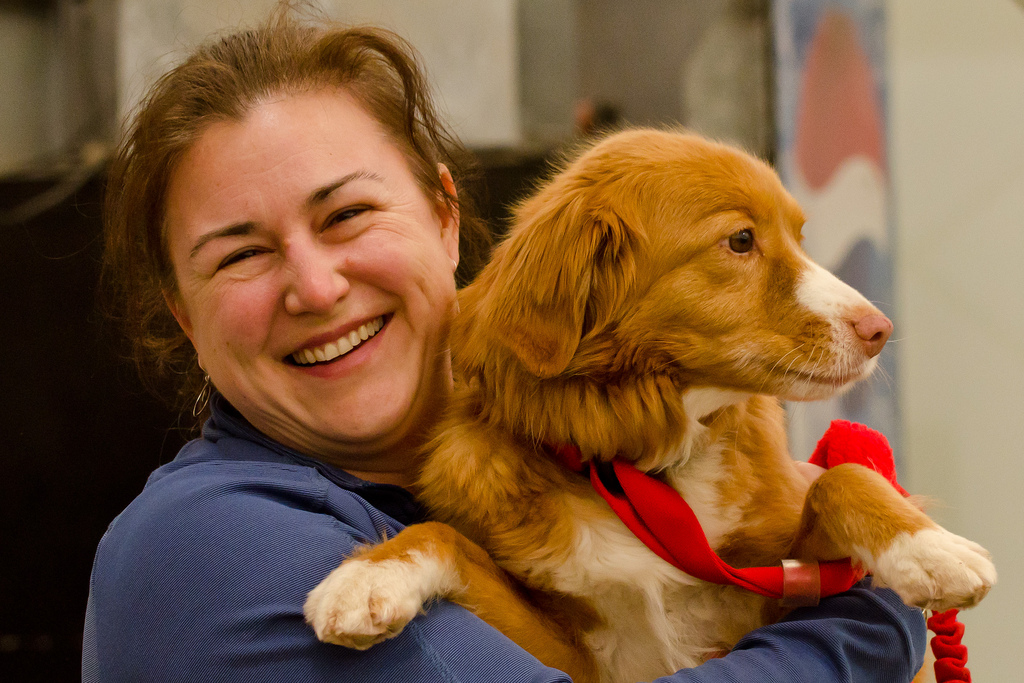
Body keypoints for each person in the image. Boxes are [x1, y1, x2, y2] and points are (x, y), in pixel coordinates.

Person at [83, 9, 926, 682]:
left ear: (446, 217)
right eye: (241, 255)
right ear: (188, 320)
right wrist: (870, 617)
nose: (315, 286)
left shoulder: (586, 463)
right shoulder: (197, 548)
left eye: (346, 215)